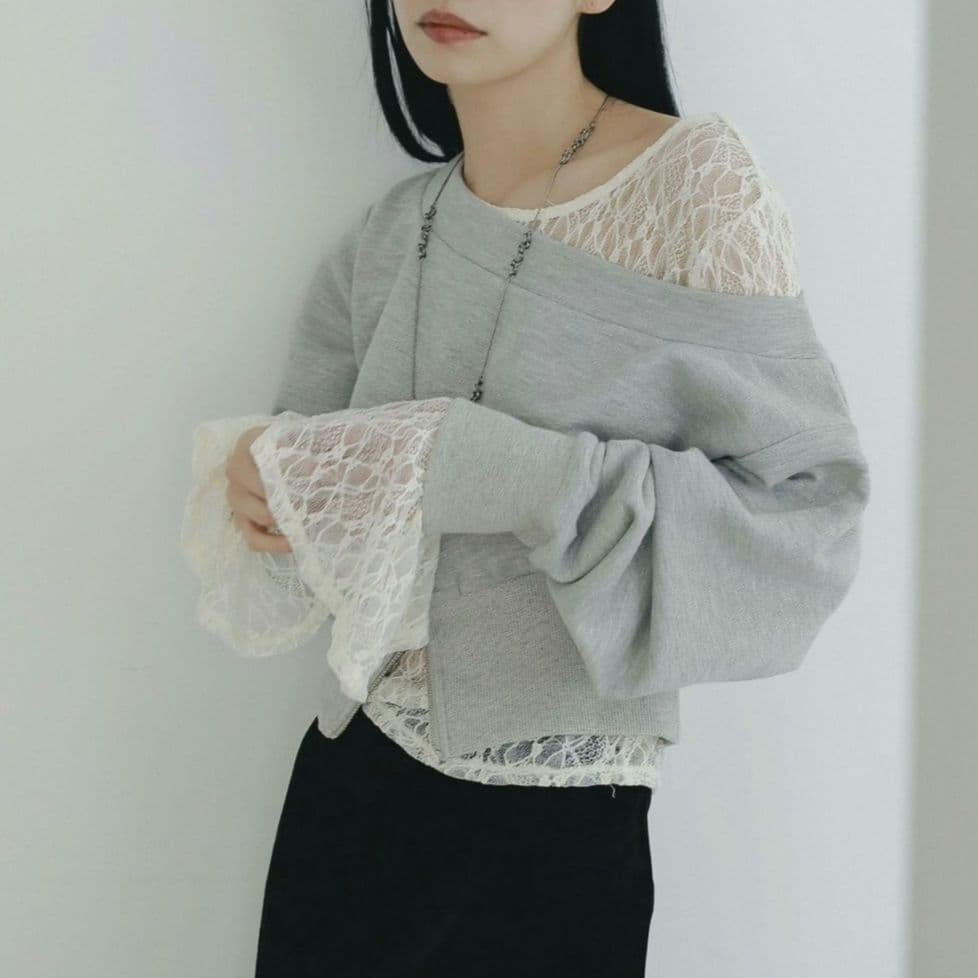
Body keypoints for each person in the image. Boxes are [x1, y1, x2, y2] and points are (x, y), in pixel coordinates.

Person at [180, 2, 871, 975]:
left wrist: (485, 468)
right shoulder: (390, 235)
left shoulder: (696, 188)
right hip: (347, 798)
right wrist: (270, 479)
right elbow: (312, 505)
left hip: (553, 837)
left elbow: (807, 528)